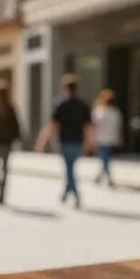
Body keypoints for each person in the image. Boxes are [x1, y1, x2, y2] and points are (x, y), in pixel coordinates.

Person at [36, 74, 93, 209]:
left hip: (65, 140)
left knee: (69, 168)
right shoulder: (83, 105)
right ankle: (66, 193)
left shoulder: (60, 104)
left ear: (64, 88)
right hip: (78, 140)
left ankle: (76, 194)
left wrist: (41, 142)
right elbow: (89, 126)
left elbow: (51, 125)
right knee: (71, 168)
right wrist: (91, 143)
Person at [92, 89, 122, 188]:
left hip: (101, 138)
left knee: (104, 158)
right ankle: (103, 176)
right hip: (108, 137)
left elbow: (94, 125)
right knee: (105, 158)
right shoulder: (115, 112)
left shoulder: (99, 111)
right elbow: (118, 127)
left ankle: (104, 176)